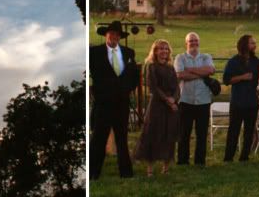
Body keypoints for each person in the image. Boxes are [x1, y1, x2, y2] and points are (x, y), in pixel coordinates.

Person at [89, 20, 139, 179]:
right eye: (111, 33)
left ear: (119, 36)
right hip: (103, 102)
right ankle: (93, 173)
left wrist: (126, 89)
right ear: (106, 35)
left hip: (122, 102)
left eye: (117, 34)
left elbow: (134, 77)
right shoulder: (94, 52)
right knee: (98, 138)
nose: (114, 36)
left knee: (122, 138)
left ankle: (126, 173)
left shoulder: (129, 52)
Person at [134, 40, 180, 176]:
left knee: (169, 135)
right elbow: (153, 87)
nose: (164, 51)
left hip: (171, 106)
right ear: (155, 51)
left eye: (166, 49)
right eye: (161, 49)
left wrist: (174, 99)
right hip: (157, 105)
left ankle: (165, 168)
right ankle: (150, 169)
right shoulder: (151, 66)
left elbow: (177, 86)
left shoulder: (171, 67)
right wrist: (168, 100)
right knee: (153, 135)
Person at [174, 32, 215, 166]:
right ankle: (183, 160)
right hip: (186, 100)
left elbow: (210, 70)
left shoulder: (206, 57)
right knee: (184, 133)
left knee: (202, 134)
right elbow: (180, 74)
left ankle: (200, 161)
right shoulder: (180, 58)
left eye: (196, 40)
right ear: (186, 43)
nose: (194, 43)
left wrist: (190, 70)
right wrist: (201, 73)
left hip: (203, 101)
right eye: (191, 41)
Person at [221, 34, 259, 162]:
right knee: (234, 130)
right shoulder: (233, 61)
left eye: (254, 43)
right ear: (244, 45)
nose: (255, 45)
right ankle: (228, 157)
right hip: (238, 101)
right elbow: (226, 80)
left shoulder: (257, 62)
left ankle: (244, 156)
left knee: (249, 131)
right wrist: (242, 77)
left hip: (252, 102)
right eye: (252, 43)